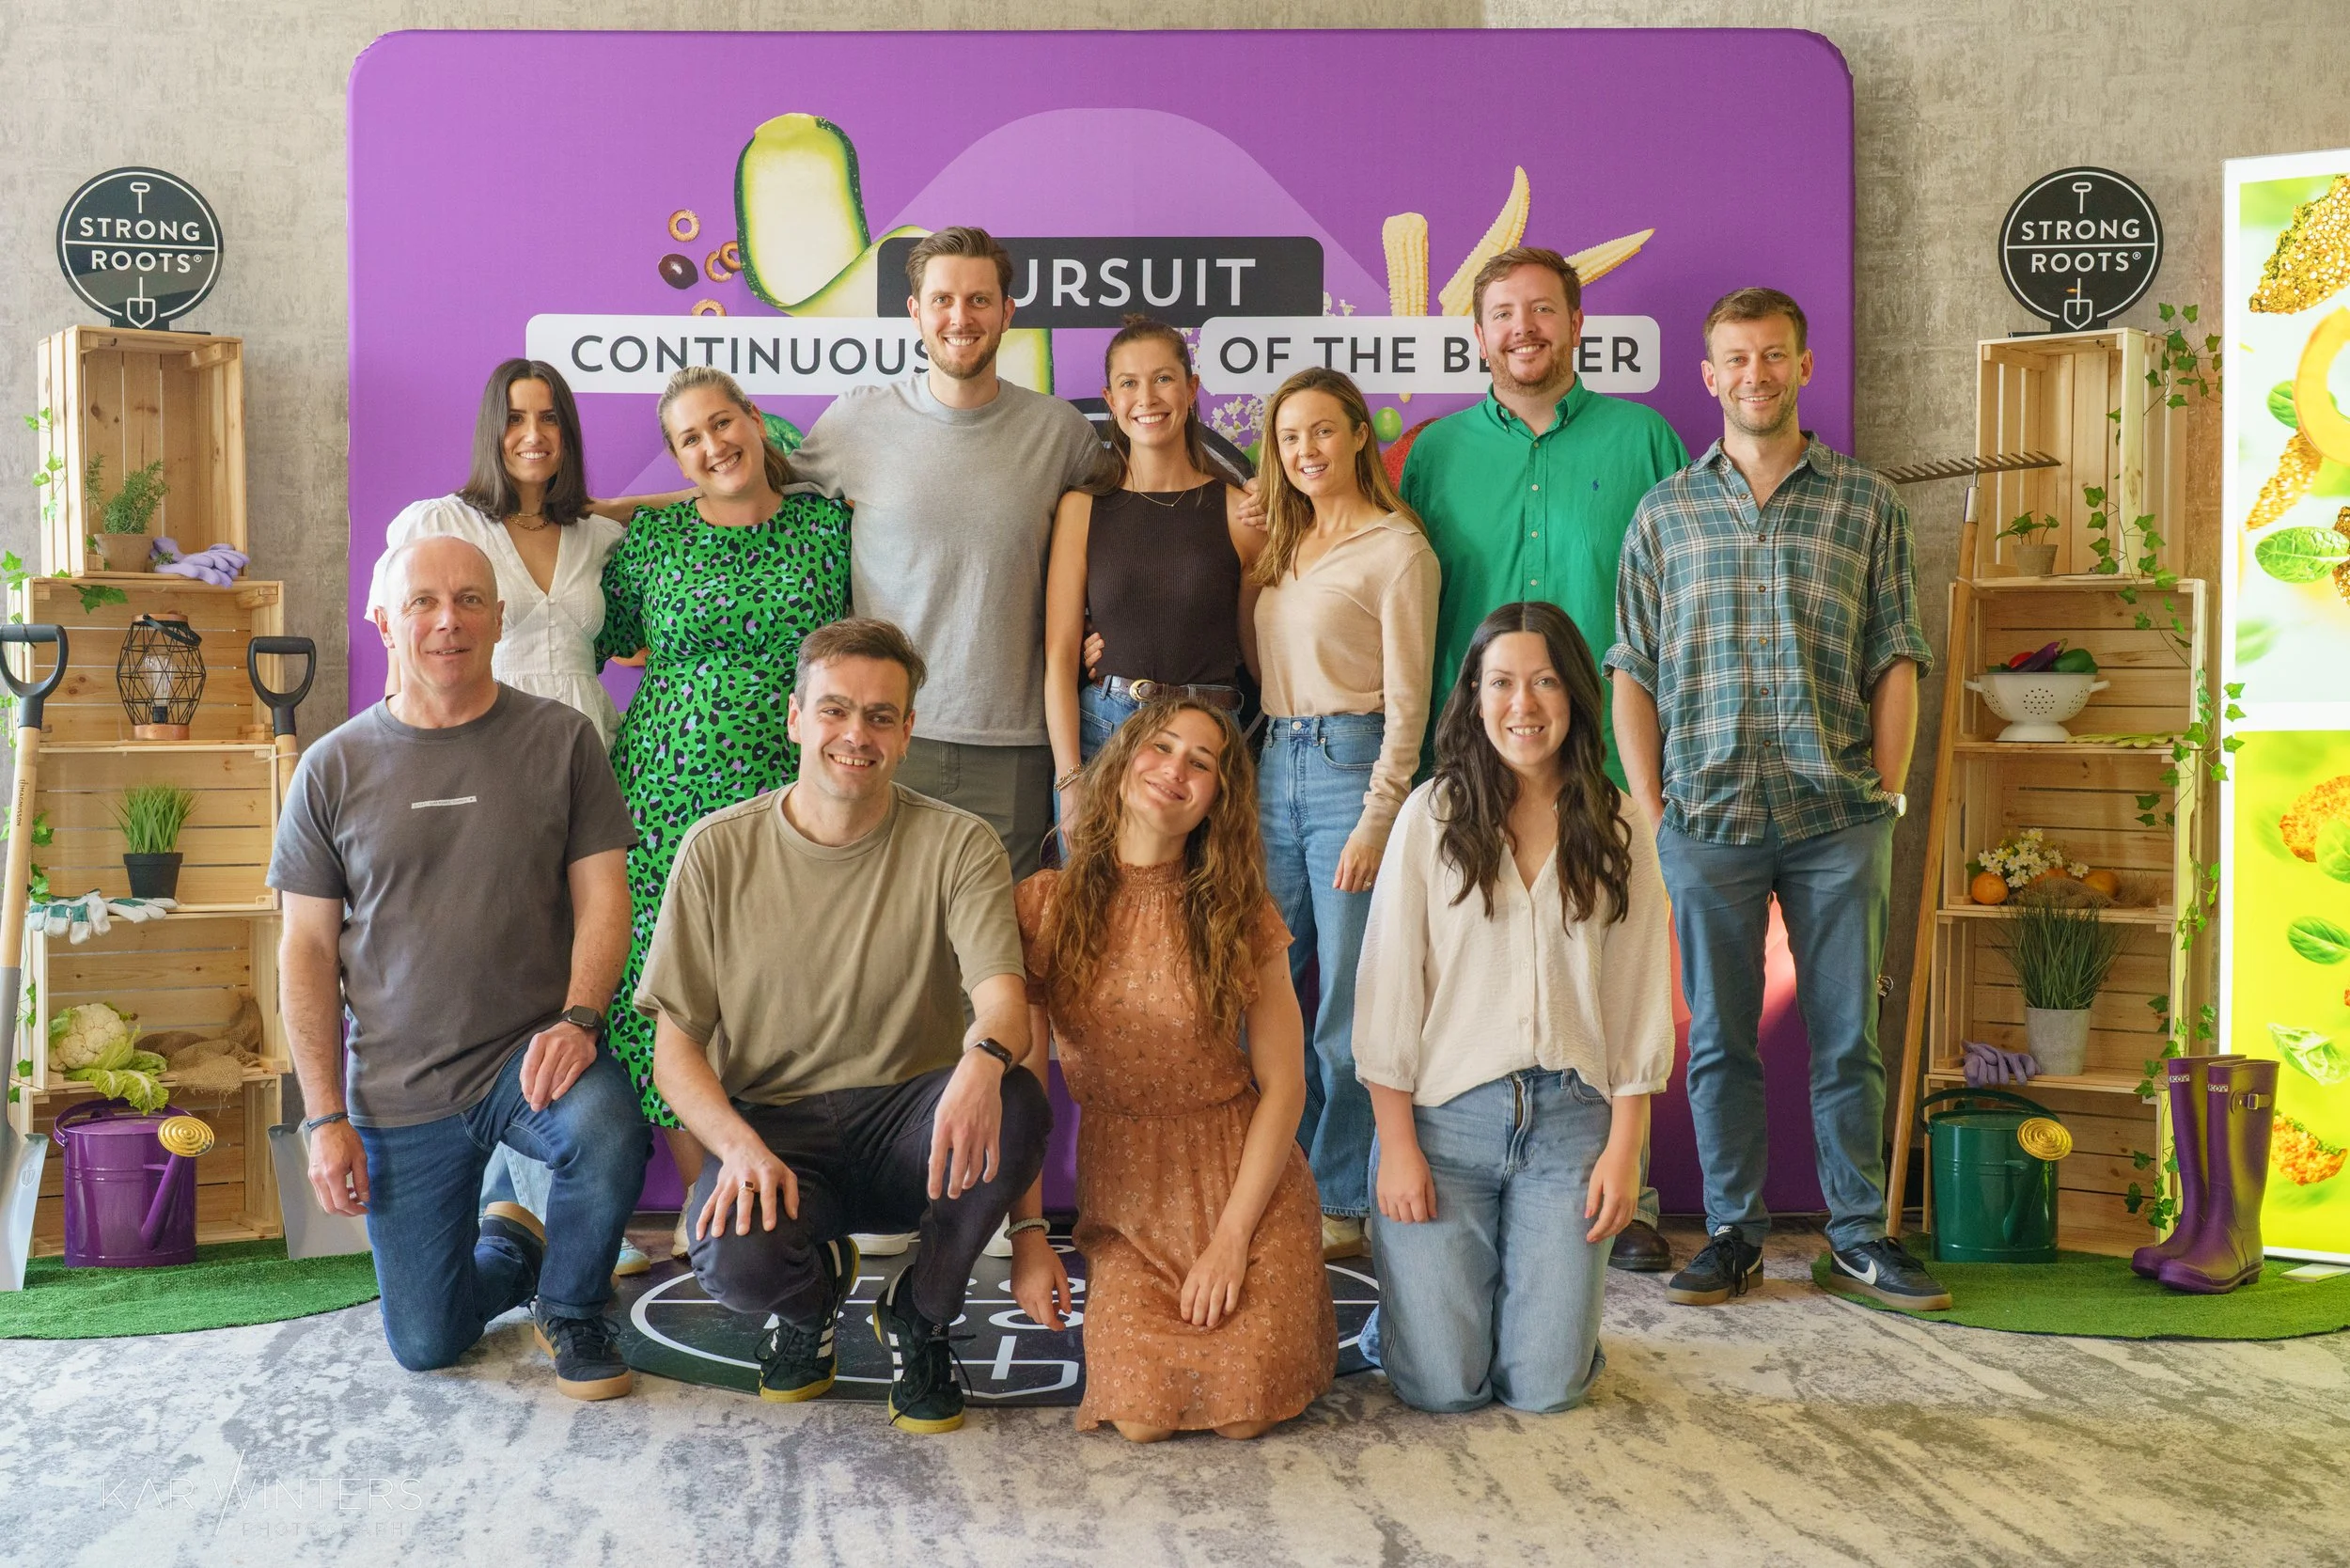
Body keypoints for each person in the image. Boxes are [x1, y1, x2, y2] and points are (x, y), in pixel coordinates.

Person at [1606, 287, 1949, 1311]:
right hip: (1705, 818)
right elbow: (1632, 667)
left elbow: (1897, 656)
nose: (1754, 374)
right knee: (1718, 1042)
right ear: (1708, 377)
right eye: (1736, 359)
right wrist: (1652, 809)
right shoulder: (1664, 512)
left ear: (1803, 366)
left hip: (1836, 818)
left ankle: (1858, 1235)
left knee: (1848, 1038)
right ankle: (1732, 1235)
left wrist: (1886, 795)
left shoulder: (1867, 503)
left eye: (1772, 355)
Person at [638, 618, 1050, 1435]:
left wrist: (982, 1061)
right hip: (779, 1132)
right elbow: (674, 1052)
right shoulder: (715, 851)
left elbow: (1004, 1003)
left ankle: (920, 1312)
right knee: (731, 1255)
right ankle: (812, 1298)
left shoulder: (959, 843)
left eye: (880, 716)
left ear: (906, 732)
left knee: (1017, 1102)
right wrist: (736, 1148)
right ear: (796, 718)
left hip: (914, 1127)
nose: (856, 734)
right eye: (834, 710)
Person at [273, 536, 647, 1397]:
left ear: (500, 618)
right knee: (427, 1342)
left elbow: (605, 900)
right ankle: (514, 1247)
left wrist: (580, 1018)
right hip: (400, 1085)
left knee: (607, 1129)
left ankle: (574, 1309)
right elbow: (306, 951)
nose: (449, 620)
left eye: (471, 600)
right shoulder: (331, 768)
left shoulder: (561, 740)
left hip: (530, 1056)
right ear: (384, 623)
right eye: (424, 603)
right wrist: (324, 1117)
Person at [1396, 247, 1688, 1272]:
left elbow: (1675, 598)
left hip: (1607, 760)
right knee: (1467, 975)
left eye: (1541, 311)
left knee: (1612, 970)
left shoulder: (1643, 439)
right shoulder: (1433, 454)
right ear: (1477, 334)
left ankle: (1628, 1185)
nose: (1522, 329)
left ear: (1575, 323)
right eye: (1502, 314)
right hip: (1469, 764)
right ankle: (1446, 1175)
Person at [365, 357, 677, 1277]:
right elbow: (396, 636)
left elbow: (667, 513)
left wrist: (632, 504)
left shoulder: (594, 535)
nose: (532, 435)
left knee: (579, 973)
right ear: (489, 430)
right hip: (482, 759)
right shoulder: (441, 523)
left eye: (549, 419)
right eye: (514, 418)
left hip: (584, 762)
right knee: (502, 973)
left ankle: (552, 1212)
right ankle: (533, 1218)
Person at [1355, 602, 1671, 1413]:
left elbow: (1638, 999)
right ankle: (1409, 1319)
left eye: (1544, 682)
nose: (1522, 705)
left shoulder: (1619, 825)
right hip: (1444, 1125)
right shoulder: (1430, 816)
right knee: (1441, 1388)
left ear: (1574, 697)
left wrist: (1625, 1151)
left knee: (1547, 1390)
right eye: (1500, 683)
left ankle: (1524, 1318)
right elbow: (1388, 993)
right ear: (1473, 695)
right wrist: (1398, 1147)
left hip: (1571, 1126)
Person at [1008, 698, 1336, 1441]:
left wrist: (1231, 1241)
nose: (1174, 770)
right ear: (1124, 760)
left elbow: (1286, 1087)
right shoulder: (1045, 907)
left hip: (1246, 1191)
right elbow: (1024, 1090)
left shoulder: (1239, 912)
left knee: (1246, 1413)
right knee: (1140, 1419)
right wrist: (1028, 1235)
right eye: (1161, 747)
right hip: (1126, 1199)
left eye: (1201, 762)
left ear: (1218, 798)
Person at [595, 366, 852, 1261]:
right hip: (660, 799)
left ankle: (787, 1188)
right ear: (677, 459)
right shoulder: (653, 539)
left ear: (754, 420)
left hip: (791, 803)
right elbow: (590, 634)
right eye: (690, 439)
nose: (713, 446)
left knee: (779, 990)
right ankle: (707, 1198)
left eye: (722, 423)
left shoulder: (827, 530)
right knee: (664, 992)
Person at [790, 226, 1106, 882]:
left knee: (999, 942)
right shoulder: (857, 420)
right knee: (878, 936)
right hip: (882, 737)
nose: (960, 318)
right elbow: (749, 500)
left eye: (979, 300)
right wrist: (616, 514)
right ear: (915, 312)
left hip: (1013, 747)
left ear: (1007, 312)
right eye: (942, 300)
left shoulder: (1061, 433)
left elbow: (1143, 519)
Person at [1250, 367, 1439, 1261]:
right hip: (1272, 765)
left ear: (1360, 434)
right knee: (1266, 993)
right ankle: (1280, 1179)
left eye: (1322, 431)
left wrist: (1377, 817)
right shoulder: (1282, 544)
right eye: (1290, 438)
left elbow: (1411, 703)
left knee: (1345, 1010)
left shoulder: (1399, 551)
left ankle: (1341, 1199)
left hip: (1350, 769)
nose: (1306, 451)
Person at [1044, 317, 1262, 825]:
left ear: (1191, 389)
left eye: (1164, 378)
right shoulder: (1081, 510)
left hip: (1210, 744)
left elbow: (1261, 657)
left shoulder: (1240, 512)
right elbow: (1059, 653)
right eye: (1129, 383)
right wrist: (1069, 777)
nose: (1147, 398)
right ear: (1110, 398)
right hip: (1104, 734)